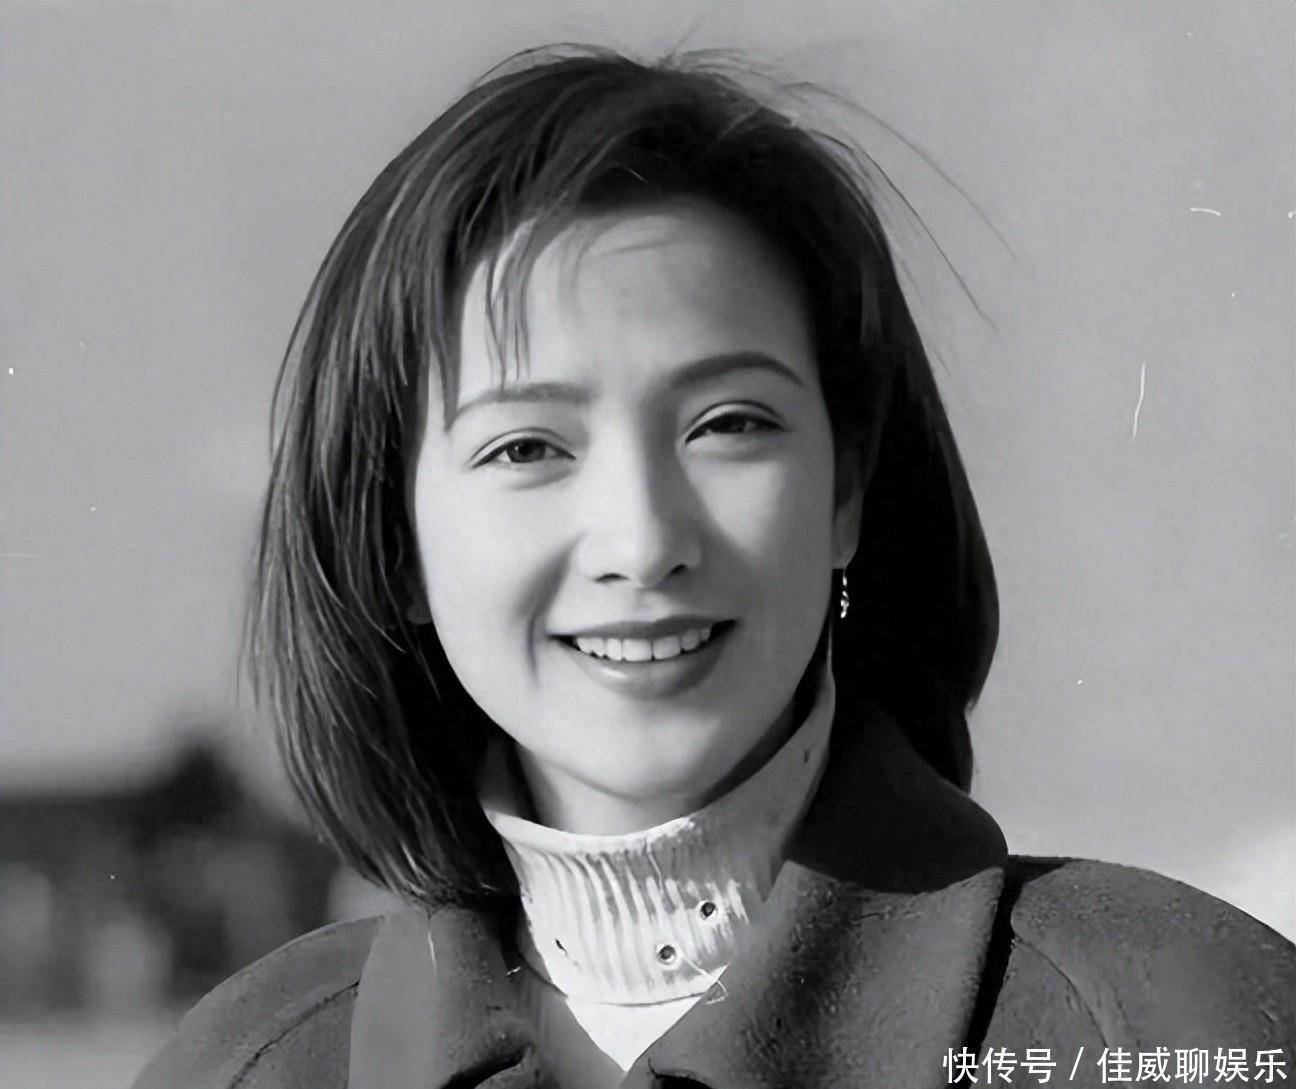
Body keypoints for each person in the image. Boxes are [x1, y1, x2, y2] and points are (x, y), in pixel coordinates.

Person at [134, 46, 1294, 1089]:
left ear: (845, 493)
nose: (642, 541)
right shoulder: (251, 1067)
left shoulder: (1170, 1024)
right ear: (395, 547)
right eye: (527, 448)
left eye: (729, 424)